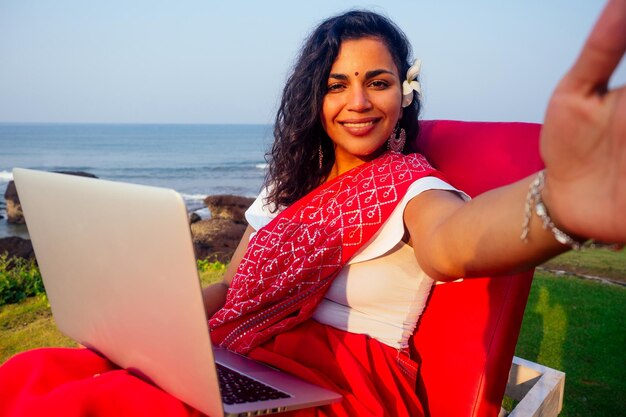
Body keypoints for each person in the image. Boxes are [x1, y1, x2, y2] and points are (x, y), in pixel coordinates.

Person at [1, 1, 624, 416]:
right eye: (336, 84)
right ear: (313, 97)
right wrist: (148, 326)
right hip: (240, 354)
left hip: (340, 387)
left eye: (377, 81)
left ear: (403, 92)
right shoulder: (289, 184)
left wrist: (556, 202)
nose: (358, 101)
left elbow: (455, 242)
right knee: (34, 374)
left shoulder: (413, 187)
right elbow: (234, 284)